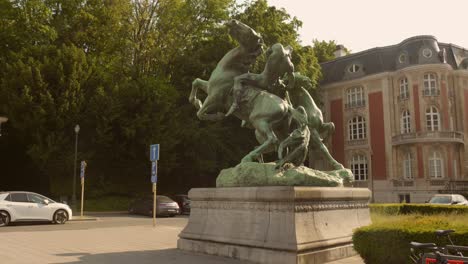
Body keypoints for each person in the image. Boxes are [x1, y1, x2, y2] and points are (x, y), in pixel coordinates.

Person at [225, 43, 295, 116]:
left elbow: (267, 54)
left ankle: (235, 103)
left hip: (262, 80)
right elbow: (291, 84)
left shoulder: (277, 50)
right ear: (290, 54)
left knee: (238, 79)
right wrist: (284, 83)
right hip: (273, 86)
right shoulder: (290, 65)